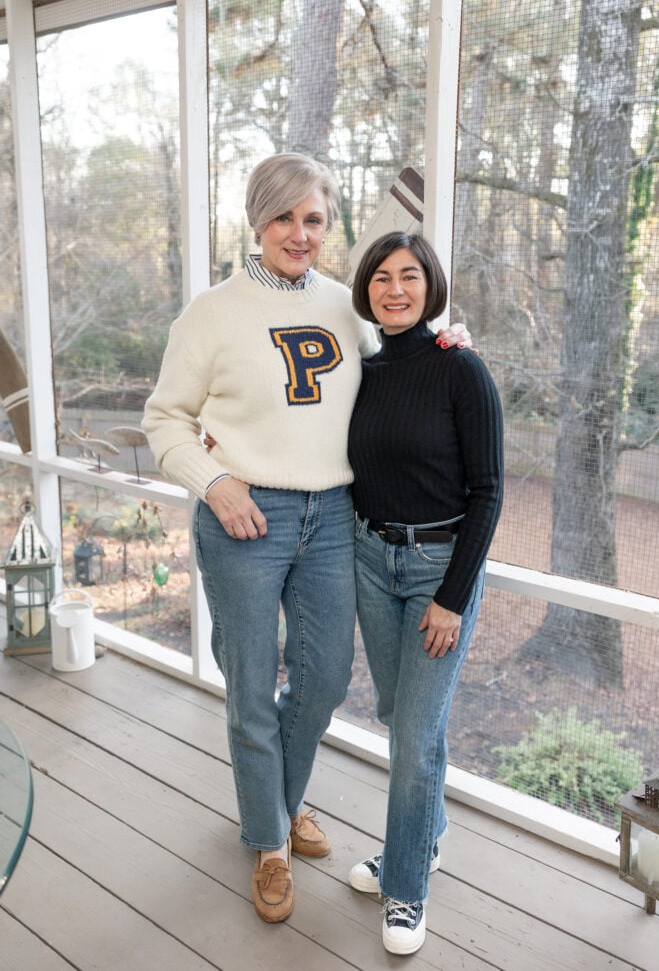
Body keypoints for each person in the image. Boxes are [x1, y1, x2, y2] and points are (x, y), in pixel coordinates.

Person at [142, 153, 472, 924]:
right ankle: (269, 839)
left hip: (333, 516)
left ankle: (281, 801)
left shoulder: (344, 305)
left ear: (328, 226)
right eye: (284, 217)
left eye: (313, 219)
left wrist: (448, 339)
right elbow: (164, 417)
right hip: (245, 517)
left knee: (322, 679)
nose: (299, 233)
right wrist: (213, 482)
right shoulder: (209, 313)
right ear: (257, 221)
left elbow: (403, 358)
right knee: (251, 683)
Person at [346, 230, 504, 955]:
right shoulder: (363, 372)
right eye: (381, 277)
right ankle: (427, 834)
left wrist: (452, 596)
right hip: (369, 559)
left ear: (430, 286)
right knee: (398, 714)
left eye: (409, 275)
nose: (395, 289)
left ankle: (406, 885)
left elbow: (488, 490)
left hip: (438, 572)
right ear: (366, 290)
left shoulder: (461, 368)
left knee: (413, 735)